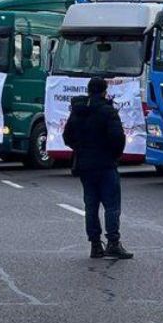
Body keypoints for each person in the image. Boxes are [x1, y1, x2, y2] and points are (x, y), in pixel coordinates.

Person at [62, 76, 132, 259]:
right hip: (106, 164)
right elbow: (118, 137)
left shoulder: (78, 111)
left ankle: (95, 245)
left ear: (88, 90)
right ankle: (113, 243)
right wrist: (114, 155)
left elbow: (67, 136)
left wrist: (80, 149)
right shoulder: (107, 111)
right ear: (104, 91)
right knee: (111, 205)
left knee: (91, 205)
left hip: (85, 165)